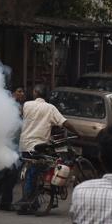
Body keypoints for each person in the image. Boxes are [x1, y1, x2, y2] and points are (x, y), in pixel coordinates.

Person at [17, 84, 77, 213]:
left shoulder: (27, 105)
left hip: (24, 145)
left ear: (35, 93)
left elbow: (21, 115)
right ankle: (28, 201)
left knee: (31, 172)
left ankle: (33, 201)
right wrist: (78, 132)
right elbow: (64, 123)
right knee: (38, 170)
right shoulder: (50, 108)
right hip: (38, 147)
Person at [0, 86, 25, 212]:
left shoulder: (21, 107)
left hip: (14, 147)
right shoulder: (5, 105)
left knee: (12, 176)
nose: (21, 94)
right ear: (13, 92)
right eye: (19, 91)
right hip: (2, 145)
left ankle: (6, 203)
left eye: (23, 92)